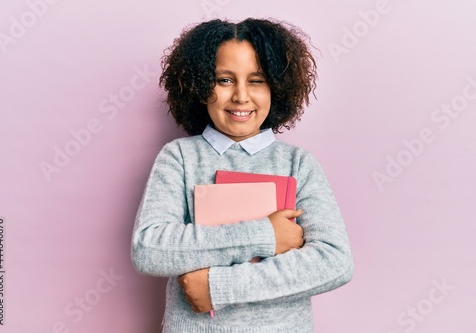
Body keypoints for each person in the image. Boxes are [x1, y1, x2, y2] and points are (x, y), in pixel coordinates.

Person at [131, 18, 353, 333]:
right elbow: (149, 248)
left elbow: (334, 261)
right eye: (224, 80)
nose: (240, 96)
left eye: (257, 80)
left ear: (277, 86)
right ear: (199, 84)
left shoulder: (298, 164)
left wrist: (220, 287)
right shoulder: (178, 158)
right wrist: (264, 236)